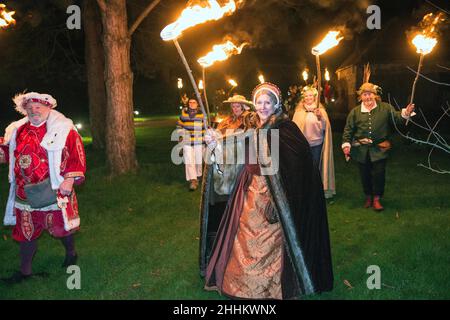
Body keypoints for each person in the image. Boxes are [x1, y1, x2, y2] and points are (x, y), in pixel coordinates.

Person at [202, 82, 333, 299]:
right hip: (249, 189)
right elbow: (236, 147)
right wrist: (216, 143)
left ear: (276, 104)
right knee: (242, 233)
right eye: (259, 103)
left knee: (273, 237)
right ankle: (241, 281)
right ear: (254, 105)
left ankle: (273, 285)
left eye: (267, 103)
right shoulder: (249, 125)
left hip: (276, 195)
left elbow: (299, 163)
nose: (263, 107)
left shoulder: (286, 129)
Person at [0, 92, 86, 284]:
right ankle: (25, 272)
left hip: (54, 190)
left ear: (48, 108)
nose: (34, 111)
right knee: (25, 232)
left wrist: (69, 180)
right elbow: (7, 152)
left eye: (38, 107)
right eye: (29, 108)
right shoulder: (17, 130)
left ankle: (71, 253)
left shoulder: (64, 129)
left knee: (61, 228)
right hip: (24, 192)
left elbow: (76, 154)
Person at [199, 94, 254, 276]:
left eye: (239, 105)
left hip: (239, 165)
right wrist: (213, 136)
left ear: (244, 106)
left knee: (237, 203)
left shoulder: (249, 119)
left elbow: (249, 135)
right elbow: (218, 136)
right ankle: (218, 246)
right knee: (221, 203)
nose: (235, 108)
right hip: (223, 165)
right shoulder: (225, 121)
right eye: (234, 105)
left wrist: (222, 140)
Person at [342, 82, 415, 211]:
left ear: (375, 95)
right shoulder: (355, 112)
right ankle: (368, 196)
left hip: (380, 149)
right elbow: (348, 130)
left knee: (379, 174)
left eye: (370, 94)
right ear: (361, 97)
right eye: (365, 95)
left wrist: (406, 113)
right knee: (364, 175)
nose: (368, 97)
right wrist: (346, 145)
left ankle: (376, 199)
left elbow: (398, 118)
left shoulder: (386, 108)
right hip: (361, 150)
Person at [292, 86, 335, 198]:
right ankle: (305, 189)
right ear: (303, 98)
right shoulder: (299, 112)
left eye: (310, 95)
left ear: (315, 97)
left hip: (317, 144)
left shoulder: (320, 111)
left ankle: (315, 190)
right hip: (303, 145)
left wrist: (320, 118)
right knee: (304, 167)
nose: (308, 98)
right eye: (306, 96)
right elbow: (294, 129)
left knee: (314, 168)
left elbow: (326, 128)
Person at [176, 96, 206, 191]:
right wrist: (180, 136)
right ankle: (193, 180)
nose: (191, 104)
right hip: (187, 141)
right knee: (189, 160)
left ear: (197, 104)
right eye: (190, 102)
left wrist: (206, 139)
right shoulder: (184, 114)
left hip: (199, 141)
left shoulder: (202, 114)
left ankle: (198, 175)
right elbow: (179, 125)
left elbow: (206, 127)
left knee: (198, 160)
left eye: (194, 102)